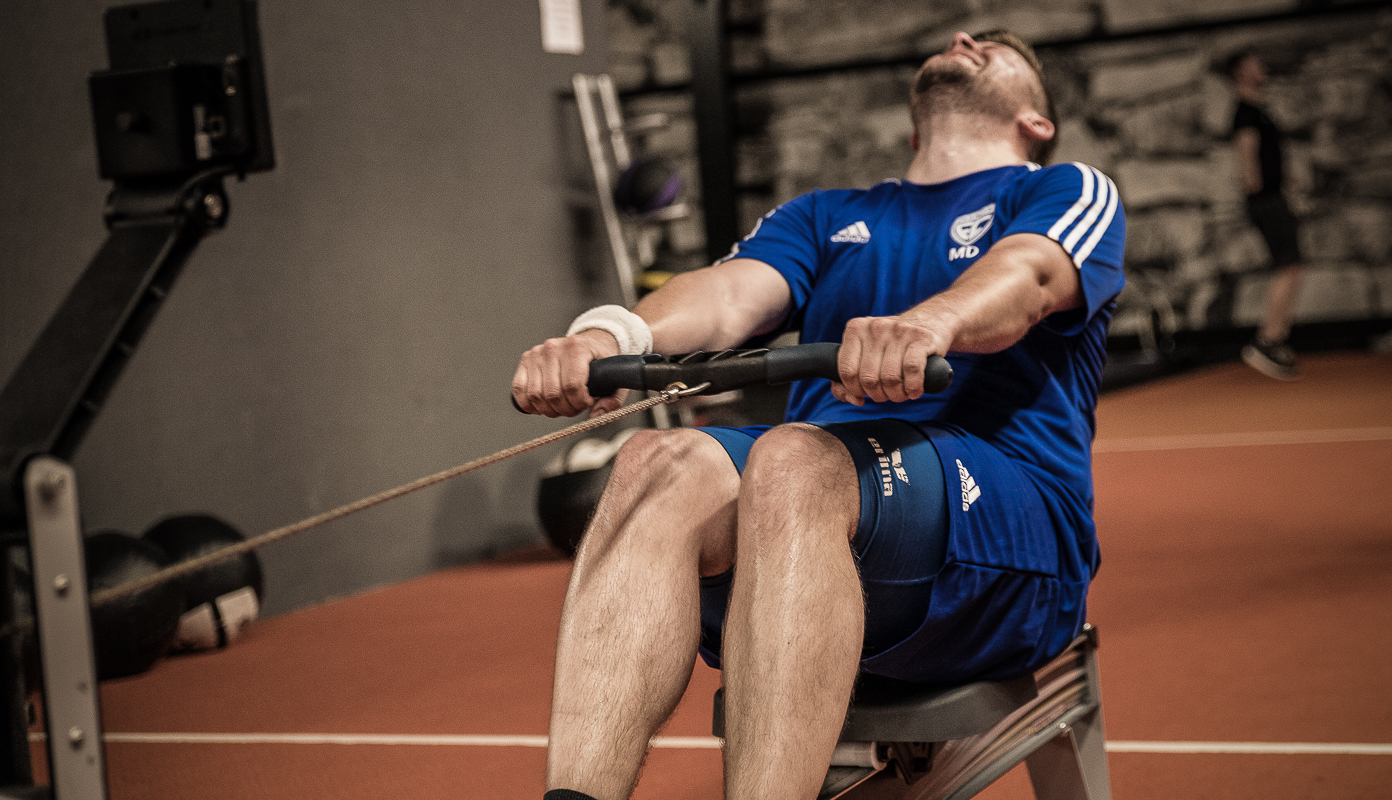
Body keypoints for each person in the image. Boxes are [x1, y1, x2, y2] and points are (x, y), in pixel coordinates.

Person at [512, 29, 1125, 800]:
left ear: (1036, 121)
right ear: (911, 128)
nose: (964, 37)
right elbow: (731, 295)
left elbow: (1032, 273)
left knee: (795, 460)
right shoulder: (827, 216)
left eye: (997, 46)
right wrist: (609, 336)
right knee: (651, 464)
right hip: (803, 517)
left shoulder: (1061, 189)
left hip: (1009, 537)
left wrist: (934, 322)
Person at [1227, 51, 1306, 380]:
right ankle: (1267, 341)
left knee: (1292, 265)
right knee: (1289, 265)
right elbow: (1247, 149)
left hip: (1272, 196)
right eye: (1256, 64)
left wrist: (1282, 178)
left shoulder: (1259, 111)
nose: (1263, 68)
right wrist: (1254, 181)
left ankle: (1274, 339)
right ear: (1241, 73)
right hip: (1266, 200)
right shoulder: (1246, 113)